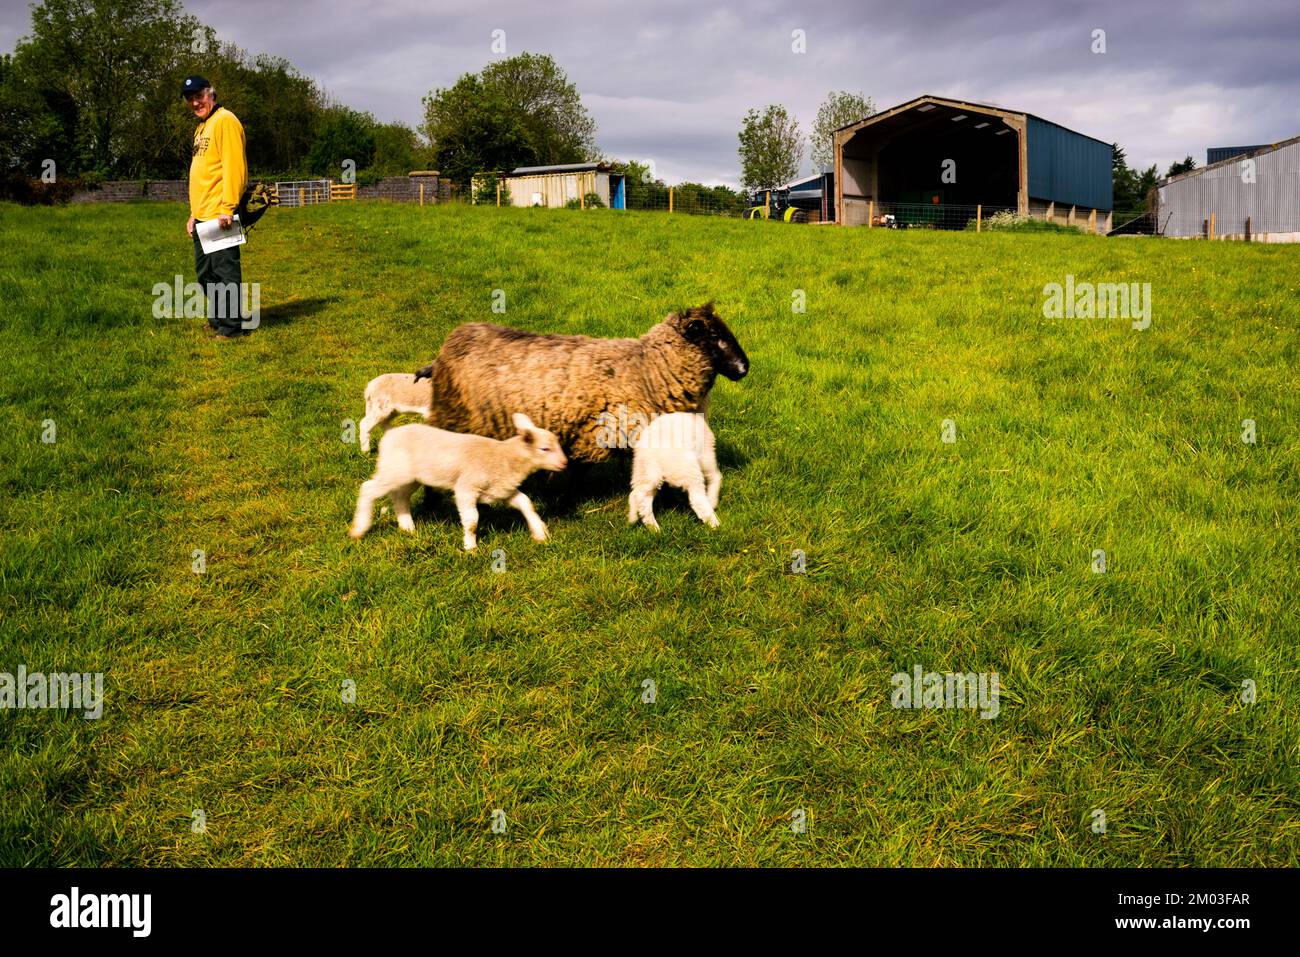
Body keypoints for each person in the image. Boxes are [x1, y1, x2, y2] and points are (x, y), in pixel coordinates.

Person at [182, 75, 251, 340]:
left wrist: (228, 207)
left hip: (220, 212)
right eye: (191, 99)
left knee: (225, 272)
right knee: (206, 274)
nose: (195, 102)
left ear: (212, 94)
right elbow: (203, 174)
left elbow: (235, 167)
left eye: (199, 96)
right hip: (202, 214)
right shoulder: (202, 127)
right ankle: (219, 319)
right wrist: (192, 215)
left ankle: (232, 328)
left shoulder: (225, 120)